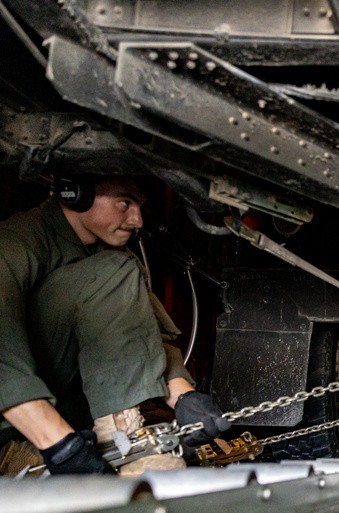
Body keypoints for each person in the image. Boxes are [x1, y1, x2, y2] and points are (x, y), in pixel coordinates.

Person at [0, 175, 230, 475]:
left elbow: (147, 336)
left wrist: (183, 395)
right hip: (14, 422)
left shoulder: (118, 258)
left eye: (139, 206)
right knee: (114, 271)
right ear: (75, 194)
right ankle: (112, 438)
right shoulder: (16, 242)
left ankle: (120, 438)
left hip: (67, 413)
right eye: (125, 202)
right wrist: (60, 446)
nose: (137, 220)